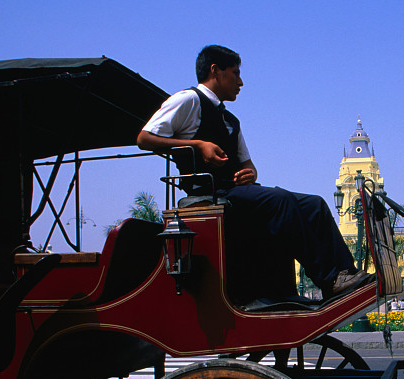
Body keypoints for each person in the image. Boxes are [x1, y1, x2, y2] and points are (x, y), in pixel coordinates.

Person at [137, 45, 368, 300]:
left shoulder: (231, 120)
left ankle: (342, 275)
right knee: (281, 201)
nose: (241, 82)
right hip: (211, 192)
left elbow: (248, 165)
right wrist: (197, 145)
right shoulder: (188, 100)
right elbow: (145, 138)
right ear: (215, 71)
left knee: (314, 204)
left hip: (236, 190)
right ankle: (325, 278)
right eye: (235, 74)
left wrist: (250, 174)